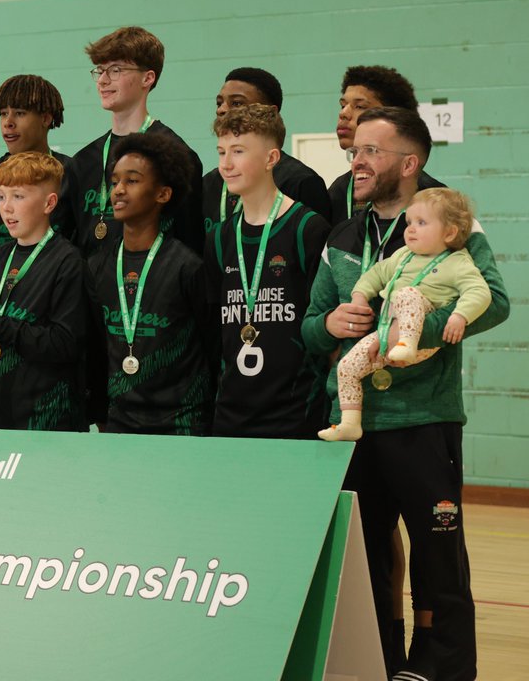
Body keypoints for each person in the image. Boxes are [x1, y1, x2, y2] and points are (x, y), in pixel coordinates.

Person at [301, 106, 509, 681]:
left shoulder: (448, 225)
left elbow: (495, 300)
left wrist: (417, 328)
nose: (356, 161)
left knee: (437, 555)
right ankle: (377, 661)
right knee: (362, 559)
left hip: (422, 420)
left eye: (371, 151)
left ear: (409, 163)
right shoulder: (341, 234)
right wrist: (330, 327)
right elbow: (310, 323)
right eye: (354, 151)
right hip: (355, 422)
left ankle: (437, 668)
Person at [325, 187, 491, 442]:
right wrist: (359, 295)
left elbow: (481, 292)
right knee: (347, 367)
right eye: (409, 222)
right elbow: (376, 275)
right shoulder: (403, 256)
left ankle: (407, 342)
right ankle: (350, 423)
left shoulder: (457, 262)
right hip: (386, 337)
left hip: (421, 341)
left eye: (421, 223)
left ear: (449, 232)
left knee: (406, 294)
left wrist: (460, 316)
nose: (410, 229)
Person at [205, 105, 330, 438]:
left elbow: (322, 323)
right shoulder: (219, 237)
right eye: (221, 152)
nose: (226, 164)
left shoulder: (307, 228)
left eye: (239, 151)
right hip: (232, 412)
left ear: (271, 158)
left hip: (295, 412)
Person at [87, 133, 213, 435]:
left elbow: (211, 347)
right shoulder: (97, 266)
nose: (118, 190)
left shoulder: (188, 267)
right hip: (121, 421)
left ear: (163, 194)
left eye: (132, 181)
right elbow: (94, 348)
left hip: (181, 422)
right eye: (115, 181)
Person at [0, 151, 90, 431]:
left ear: (49, 203)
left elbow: (64, 343)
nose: (6, 208)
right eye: (1, 197)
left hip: (47, 418)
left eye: (18, 196)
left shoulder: (68, 262)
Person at [73, 26, 204, 257]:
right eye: (100, 70)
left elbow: (190, 243)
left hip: (154, 285)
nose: (103, 80)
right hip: (93, 288)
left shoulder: (176, 155)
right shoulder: (83, 161)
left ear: (148, 77)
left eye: (115, 70)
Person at [201, 67, 332, 229]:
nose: (221, 109)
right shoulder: (208, 184)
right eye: (219, 103)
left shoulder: (301, 182)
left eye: (236, 103)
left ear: (270, 112)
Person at [0, 74, 78, 250]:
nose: (8, 123)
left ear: (46, 119)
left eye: (19, 113)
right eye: (3, 114)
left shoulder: (73, 173)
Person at [328, 65, 443, 227]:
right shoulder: (338, 191)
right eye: (343, 105)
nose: (344, 113)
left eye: (359, 106)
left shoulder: (435, 196)